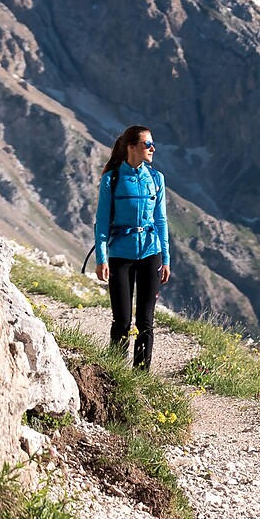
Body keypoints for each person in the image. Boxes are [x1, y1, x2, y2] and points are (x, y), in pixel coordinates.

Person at [93, 124, 170, 369]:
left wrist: (166, 258)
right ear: (132, 147)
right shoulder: (112, 180)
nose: (152, 149)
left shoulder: (157, 179)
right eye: (148, 144)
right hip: (120, 256)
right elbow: (102, 222)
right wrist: (101, 258)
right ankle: (115, 373)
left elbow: (161, 220)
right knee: (122, 320)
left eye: (153, 144)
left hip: (151, 253)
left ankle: (140, 377)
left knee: (145, 321)